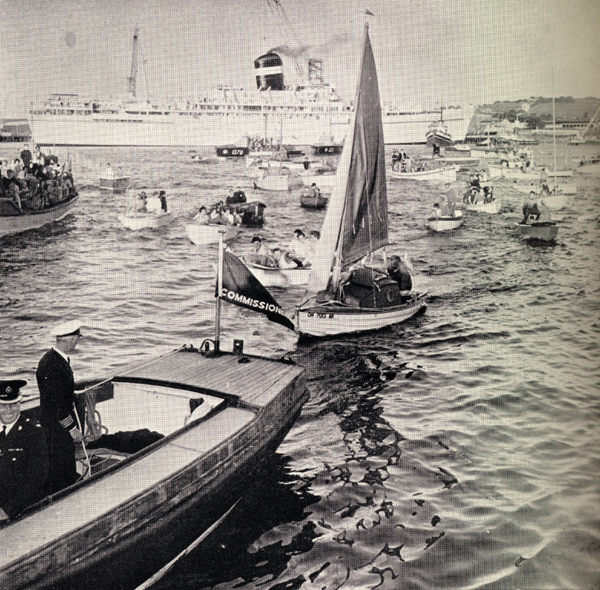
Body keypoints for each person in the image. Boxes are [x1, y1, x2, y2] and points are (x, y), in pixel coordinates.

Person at [36, 320, 84, 495]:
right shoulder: (53, 366)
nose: (77, 342)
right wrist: (72, 429)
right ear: (69, 339)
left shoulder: (56, 360)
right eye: (76, 338)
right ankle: (62, 498)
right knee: (60, 468)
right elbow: (58, 404)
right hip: (56, 427)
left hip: (55, 423)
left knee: (62, 466)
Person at [0, 379, 50, 522]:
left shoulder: (34, 433)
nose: (9, 411)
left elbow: (37, 479)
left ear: (20, 404)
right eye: (3, 405)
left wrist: (8, 510)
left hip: (20, 510)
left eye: (14, 404)